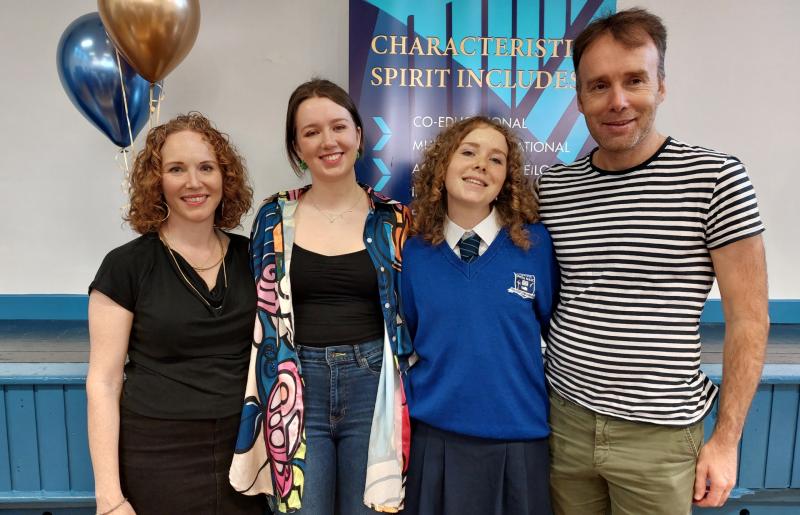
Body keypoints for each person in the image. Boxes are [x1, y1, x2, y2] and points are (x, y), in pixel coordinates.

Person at [536, 8, 769, 514]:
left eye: (634, 80)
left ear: (661, 85)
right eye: (598, 85)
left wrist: (726, 442)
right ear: (578, 99)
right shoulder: (552, 189)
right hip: (562, 424)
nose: (617, 101)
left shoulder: (716, 179)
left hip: (660, 440)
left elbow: (749, 320)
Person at [229, 79, 412, 514]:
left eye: (338, 127)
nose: (328, 141)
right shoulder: (274, 217)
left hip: (373, 385)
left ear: (359, 135)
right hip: (295, 386)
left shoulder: (395, 219)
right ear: (296, 148)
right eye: (311, 132)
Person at [87, 113, 261, 514]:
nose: (194, 182)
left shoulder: (253, 256)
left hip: (245, 452)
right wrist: (110, 498)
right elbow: (104, 381)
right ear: (156, 181)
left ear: (225, 177)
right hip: (158, 452)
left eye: (206, 168)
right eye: (176, 169)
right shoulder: (126, 266)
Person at [400, 116, 559, 515]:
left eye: (496, 159)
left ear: (507, 178)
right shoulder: (415, 253)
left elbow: (549, 325)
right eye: (468, 152)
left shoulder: (536, 246)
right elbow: (415, 333)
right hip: (438, 440)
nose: (480, 166)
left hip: (519, 439)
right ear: (443, 165)